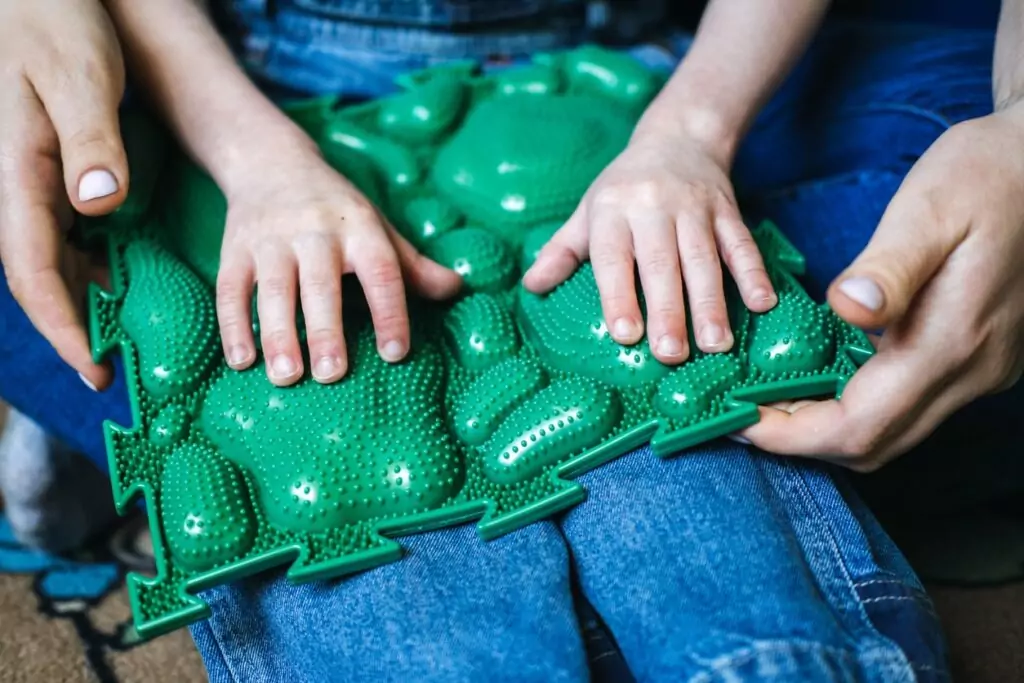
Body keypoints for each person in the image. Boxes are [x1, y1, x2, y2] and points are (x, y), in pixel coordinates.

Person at [0, 0, 1021, 679]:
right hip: (227, 79)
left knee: (903, 242)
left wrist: (689, 133)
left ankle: (106, 408)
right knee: (309, 386)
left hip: (676, 56)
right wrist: (257, 162)